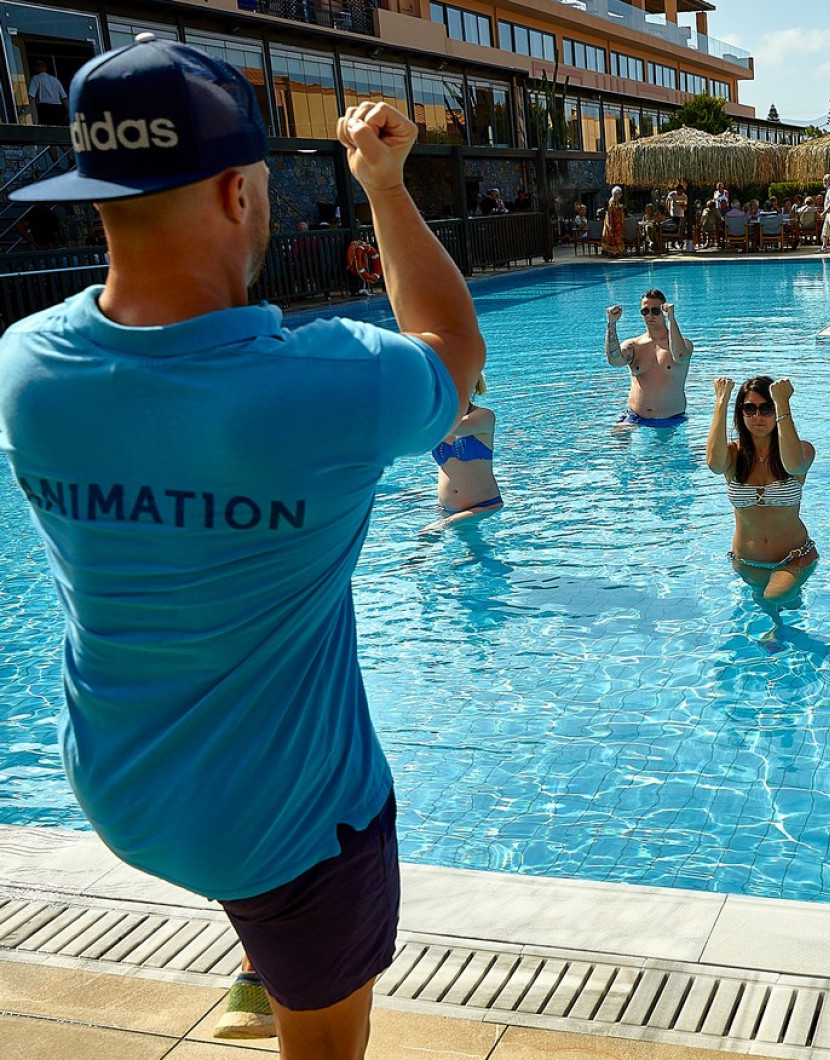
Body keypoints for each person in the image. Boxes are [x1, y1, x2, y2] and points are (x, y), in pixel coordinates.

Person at [0, 37, 485, 1060]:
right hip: (289, 829)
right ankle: (285, 966)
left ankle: (260, 954)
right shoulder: (331, 383)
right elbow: (454, 346)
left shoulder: (26, 367)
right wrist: (383, 186)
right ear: (237, 194)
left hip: (124, 789)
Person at [706, 375, 817, 604]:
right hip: (747, 562)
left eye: (767, 409)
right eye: (750, 409)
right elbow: (714, 465)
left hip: (794, 557)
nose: (758, 416)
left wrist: (782, 403)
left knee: (775, 596)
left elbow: (794, 466)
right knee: (766, 608)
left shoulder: (802, 450)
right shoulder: (733, 455)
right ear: (741, 413)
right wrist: (721, 401)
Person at [424, 375, 503, 532]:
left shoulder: (484, 416)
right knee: (475, 546)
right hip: (446, 511)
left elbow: (456, 427)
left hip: (483, 507)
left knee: (427, 535)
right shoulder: (435, 421)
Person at [606, 289, 693, 427]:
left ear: (663, 312)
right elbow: (614, 361)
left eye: (655, 311)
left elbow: (680, 357)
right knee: (617, 439)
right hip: (635, 418)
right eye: (645, 311)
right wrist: (611, 324)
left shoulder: (684, 344)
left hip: (671, 419)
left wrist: (671, 319)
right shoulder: (633, 346)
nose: (650, 315)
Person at [28, 58, 67, 126]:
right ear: (45, 68)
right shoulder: (55, 80)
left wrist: (23, 109)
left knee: (46, 129)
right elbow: (65, 98)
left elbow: (31, 96)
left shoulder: (35, 78)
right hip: (58, 108)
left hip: (45, 108)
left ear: (36, 68)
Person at [601, 185, 625, 257]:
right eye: (619, 194)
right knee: (612, 237)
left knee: (617, 237)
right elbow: (611, 214)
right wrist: (611, 225)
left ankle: (617, 251)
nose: (621, 195)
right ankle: (612, 252)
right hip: (612, 222)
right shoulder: (612, 203)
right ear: (616, 194)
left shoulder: (616, 202)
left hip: (617, 223)